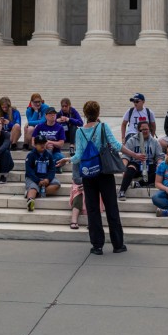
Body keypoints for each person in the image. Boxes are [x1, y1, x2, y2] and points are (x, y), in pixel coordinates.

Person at [58, 100, 142, 255]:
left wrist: (67, 159)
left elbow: (78, 155)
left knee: (93, 209)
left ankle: (97, 245)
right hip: (104, 172)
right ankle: (118, 244)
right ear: (98, 114)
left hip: (88, 174)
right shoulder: (103, 127)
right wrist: (135, 154)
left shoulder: (80, 131)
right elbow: (117, 146)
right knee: (111, 208)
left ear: (84, 114)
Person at [118, 119, 165, 200]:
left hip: (149, 164)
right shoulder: (131, 140)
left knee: (160, 171)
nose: (145, 131)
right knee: (130, 169)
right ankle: (122, 191)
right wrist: (123, 168)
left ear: (149, 129)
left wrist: (159, 164)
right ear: (138, 130)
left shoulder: (154, 142)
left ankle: (138, 183)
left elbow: (159, 156)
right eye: (142, 129)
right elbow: (126, 156)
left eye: (146, 129)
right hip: (136, 164)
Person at [24, 135, 60, 211]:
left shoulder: (49, 155)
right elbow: (29, 171)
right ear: (35, 145)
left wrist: (48, 179)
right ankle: (30, 201)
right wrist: (38, 180)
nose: (42, 145)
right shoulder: (30, 155)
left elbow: (52, 169)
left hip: (45, 177)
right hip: (33, 178)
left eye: (44, 143)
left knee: (56, 185)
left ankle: (38, 192)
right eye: (40, 144)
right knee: (33, 188)